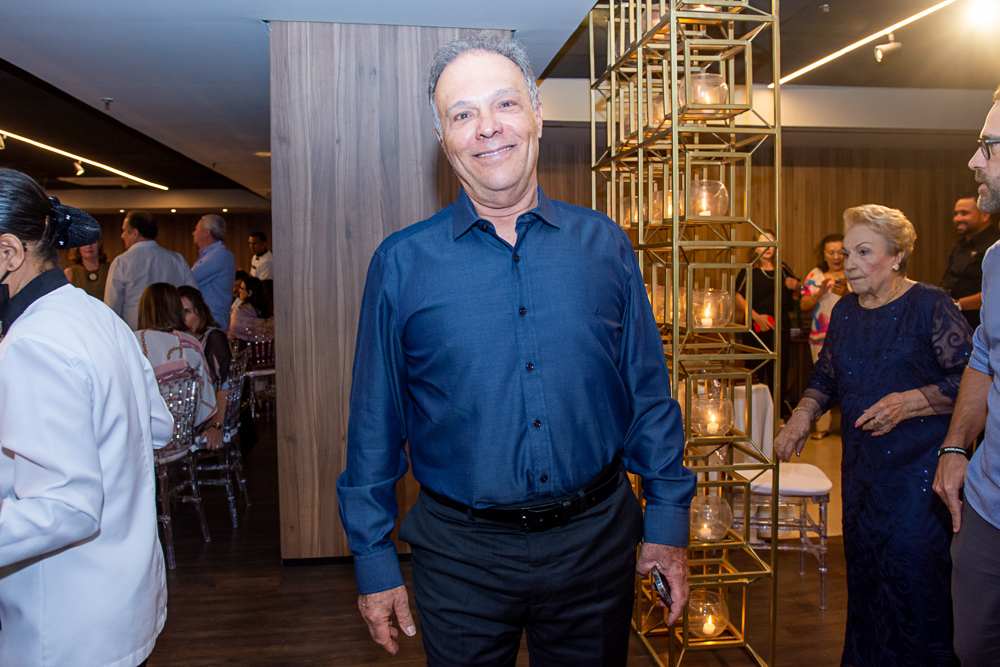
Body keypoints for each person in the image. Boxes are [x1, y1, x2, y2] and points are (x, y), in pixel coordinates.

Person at [337, 32, 694, 665]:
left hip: (597, 546)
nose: (487, 128)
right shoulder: (400, 263)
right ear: (443, 138)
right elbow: (374, 424)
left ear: (536, 115)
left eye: (504, 104)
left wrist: (666, 522)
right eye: (462, 114)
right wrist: (373, 559)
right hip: (460, 557)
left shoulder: (605, 246)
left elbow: (648, 395)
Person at [778, 204, 971, 667]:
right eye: (847, 253)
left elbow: (971, 379)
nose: (850, 263)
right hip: (863, 473)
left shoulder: (929, 304)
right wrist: (803, 413)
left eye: (864, 252)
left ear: (897, 255)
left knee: (914, 575)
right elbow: (827, 375)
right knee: (867, 576)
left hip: (918, 471)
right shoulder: (846, 310)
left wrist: (910, 401)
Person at [0, 168, 171, 667]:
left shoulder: (32, 342)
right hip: (124, 601)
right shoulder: (96, 316)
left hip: (65, 621)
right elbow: (158, 426)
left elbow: (67, 506)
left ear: (8, 252)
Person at [933, 86, 1000, 666]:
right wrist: (956, 447)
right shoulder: (997, 259)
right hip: (985, 508)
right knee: (973, 649)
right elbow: (983, 356)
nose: (974, 160)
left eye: (989, 146)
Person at [135, 282, 221, 449]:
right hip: (183, 438)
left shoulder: (133, 342)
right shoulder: (190, 343)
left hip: (147, 442)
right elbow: (204, 400)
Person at [734, 230, 799, 413]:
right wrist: (755, 316)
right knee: (755, 370)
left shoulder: (782, 268)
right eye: (763, 243)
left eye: (771, 243)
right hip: (756, 325)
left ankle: (778, 414)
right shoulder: (749, 269)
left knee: (779, 370)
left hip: (780, 326)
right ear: (755, 248)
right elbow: (738, 296)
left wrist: (797, 286)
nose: (768, 248)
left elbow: (797, 289)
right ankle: (753, 414)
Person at [104, 210, 198, 330]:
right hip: (173, 332)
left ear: (135, 233)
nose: (122, 236)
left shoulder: (121, 262)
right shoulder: (177, 259)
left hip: (135, 334)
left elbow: (112, 307)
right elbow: (193, 297)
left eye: (124, 230)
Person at [798, 233, 849, 438]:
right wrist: (819, 293)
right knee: (823, 380)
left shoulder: (855, 272)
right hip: (820, 337)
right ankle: (822, 427)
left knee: (850, 380)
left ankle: (851, 426)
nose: (836, 257)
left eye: (840, 252)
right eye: (831, 252)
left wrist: (847, 293)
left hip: (850, 336)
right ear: (824, 254)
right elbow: (803, 305)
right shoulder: (816, 275)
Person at [940, 194, 999, 330]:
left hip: (981, 326)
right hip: (956, 323)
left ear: (984, 215)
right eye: (956, 214)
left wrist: (958, 304)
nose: (958, 218)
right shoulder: (961, 247)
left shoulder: (995, 247)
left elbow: (996, 292)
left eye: (964, 213)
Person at [179, 285, 232, 426]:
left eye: (187, 311)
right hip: (193, 413)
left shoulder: (214, 337)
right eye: (178, 313)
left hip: (212, 416)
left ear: (200, 312)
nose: (183, 318)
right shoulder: (181, 341)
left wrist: (216, 425)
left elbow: (224, 384)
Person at [191, 214, 236, 332]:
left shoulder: (220, 254)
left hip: (213, 322)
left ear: (207, 232)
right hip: (208, 321)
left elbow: (190, 279)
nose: (193, 233)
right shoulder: (210, 255)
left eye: (196, 229)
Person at [228, 275, 272, 341]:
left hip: (243, 346)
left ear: (249, 292)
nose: (239, 291)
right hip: (262, 347)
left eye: (242, 288)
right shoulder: (267, 311)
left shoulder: (240, 311)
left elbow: (231, 335)